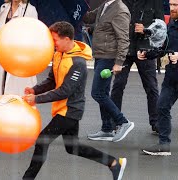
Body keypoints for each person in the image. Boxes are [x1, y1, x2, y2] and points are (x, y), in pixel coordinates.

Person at [22, 21, 127, 180]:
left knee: (42, 140)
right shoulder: (59, 54)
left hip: (70, 110)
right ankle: (114, 163)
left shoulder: (78, 63)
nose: (53, 43)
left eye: (55, 40)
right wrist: (35, 89)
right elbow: (52, 80)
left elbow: (65, 91)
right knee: (73, 148)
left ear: (67, 39)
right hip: (62, 109)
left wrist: (36, 99)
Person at [83, 0, 134, 142]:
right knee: (104, 93)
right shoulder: (105, 5)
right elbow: (87, 18)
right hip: (100, 55)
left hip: (109, 58)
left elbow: (124, 39)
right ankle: (107, 129)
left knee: (97, 93)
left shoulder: (120, 10)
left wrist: (119, 63)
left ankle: (123, 122)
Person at [110, 0, 165, 134]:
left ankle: (156, 122)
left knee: (151, 87)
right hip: (125, 50)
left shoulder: (154, 2)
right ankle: (114, 122)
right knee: (118, 85)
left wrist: (146, 29)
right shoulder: (121, 1)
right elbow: (112, 22)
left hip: (145, 50)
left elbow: (161, 27)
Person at [141, 0, 178, 156]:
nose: (173, 8)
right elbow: (164, 47)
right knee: (162, 107)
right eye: (171, 4)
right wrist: (147, 54)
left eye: (176, 5)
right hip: (173, 77)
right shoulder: (171, 23)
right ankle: (164, 146)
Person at [0, 0, 38, 96]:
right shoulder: (4, 7)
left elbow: (33, 33)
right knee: (4, 86)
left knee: (18, 89)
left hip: (21, 56)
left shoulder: (30, 10)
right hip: (4, 54)